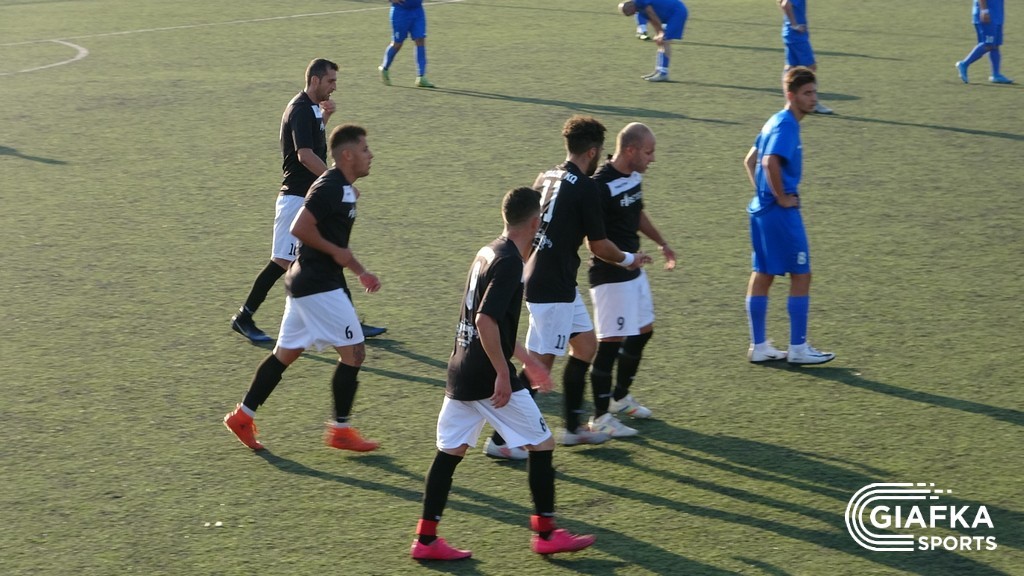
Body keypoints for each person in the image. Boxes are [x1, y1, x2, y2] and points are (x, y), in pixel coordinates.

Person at [410, 187, 596, 561]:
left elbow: (493, 325)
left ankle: (425, 541)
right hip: (485, 377)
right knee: (542, 444)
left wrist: (529, 361)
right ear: (535, 222)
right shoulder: (510, 262)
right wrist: (502, 373)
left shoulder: (488, 251)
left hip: (460, 370)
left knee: (450, 452)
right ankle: (546, 533)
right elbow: (485, 320)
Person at [486, 115, 650, 459]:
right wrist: (629, 259)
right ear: (592, 152)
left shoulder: (545, 176)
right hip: (552, 285)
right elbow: (599, 246)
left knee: (586, 346)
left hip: (551, 278)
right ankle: (501, 440)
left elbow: (529, 228)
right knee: (538, 366)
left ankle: (574, 429)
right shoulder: (586, 187)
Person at [224, 124, 383, 452]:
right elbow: (300, 228)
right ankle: (340, 430)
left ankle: (242, 417)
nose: (371, 155)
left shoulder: (344, 188)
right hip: (318, 286)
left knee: (285, 354)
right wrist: (341, 256)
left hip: (308, 283)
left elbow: (337, 244)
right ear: (348, 155)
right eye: (365, 149)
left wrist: (360, 271)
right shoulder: (329, 187)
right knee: (354, 353)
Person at [230, 59, 388, 343]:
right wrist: (337, 180)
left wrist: (325, 117)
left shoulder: (312, 108)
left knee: (329, 256)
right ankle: (244, 317)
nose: (334, 87)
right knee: (282, 261)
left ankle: (348, 321)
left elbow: (312, 143)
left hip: (309, 197)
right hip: (295, 198)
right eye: (330, 81)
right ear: (315, 80)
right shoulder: (301, 109)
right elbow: (304, 155)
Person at [588, 123, 676, 436]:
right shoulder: (600, 186)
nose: (652, 158)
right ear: (630, 150)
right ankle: (600, 417)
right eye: (648, 152)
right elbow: (593, 240)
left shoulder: (634, 176)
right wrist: (623, 260)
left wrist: (661, 242)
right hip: (611, 275)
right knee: (609, 345)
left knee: (643, 332)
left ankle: (620, 397)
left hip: (634, 269)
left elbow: (637, 213)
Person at [743, 67, 835, 366]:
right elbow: (768, 162)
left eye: (815, 92)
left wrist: (763, 193)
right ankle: (798, 347)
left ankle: (759, 346)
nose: (813, 98)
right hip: (780, 213)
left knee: (763, 274)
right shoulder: (787, 125)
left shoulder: (774, 120)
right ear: (791, 95)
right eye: (807, 93)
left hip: (761, 210)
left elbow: (749, 160)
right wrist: (780, 197)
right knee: (801, 274)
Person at [778, 0, 834, 114]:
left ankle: (790, 101)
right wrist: (794, 25)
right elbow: (785, 4)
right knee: (811, 67)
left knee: (790, 68)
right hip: (797, 37)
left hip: (789, 34)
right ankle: (813, 103)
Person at [618, 0, 688, 82]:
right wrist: (658, 33)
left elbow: (652, 15)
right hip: (669, 14)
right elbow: (652, 20)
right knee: (660, 42)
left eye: (628, 13)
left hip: (677, 12)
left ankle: (663, 73)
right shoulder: (639, 9)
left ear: (630, 7)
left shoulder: (640, 2)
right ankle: (658, 70)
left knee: (665, 41)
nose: (629, 15)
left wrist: (661, 33)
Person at [378, 0, 435, 88]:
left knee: (420, 40)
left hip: (418, 11)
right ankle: (384, 68)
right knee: (397, 44)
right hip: (400, 12)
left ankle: (421, 76)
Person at [956, 0, 1013, 84]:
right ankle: (964, 64)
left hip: (997, 15)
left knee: (995, 45)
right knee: (988, 45)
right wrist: (984, 10)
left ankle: (996, 75)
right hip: (987, 15)